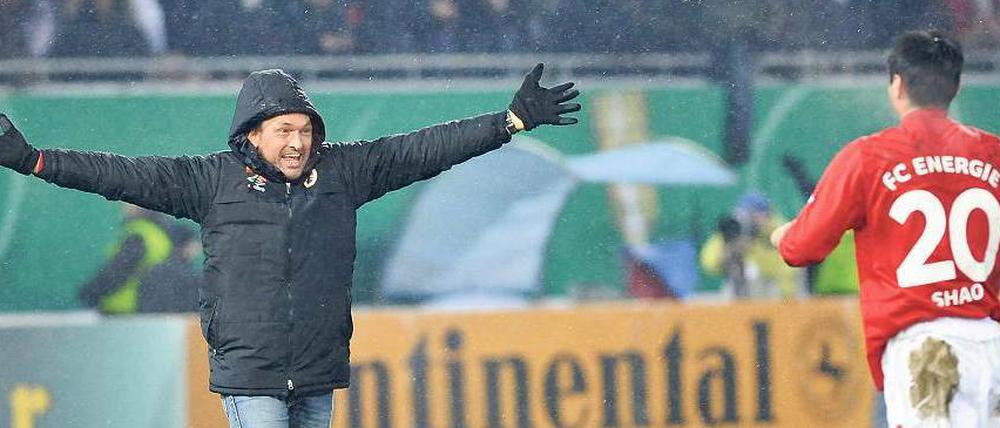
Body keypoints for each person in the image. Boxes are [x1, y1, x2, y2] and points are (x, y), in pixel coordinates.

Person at [0, 64, 580, 427]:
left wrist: (508, 122)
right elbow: (116, 174)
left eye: (305, 130)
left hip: (318, 369)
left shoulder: (344, 171)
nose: (298, 141)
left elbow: (425, 149)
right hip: (251, 373)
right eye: (284, 130)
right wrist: (34, 161)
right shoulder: (209, 180)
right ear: (250, 135)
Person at [771, 30, 1000, 426]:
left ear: (897, 85)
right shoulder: (993, 153)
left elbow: (800, 248)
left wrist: (779, 233)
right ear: (955, 86)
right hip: (992, 346)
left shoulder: (868, 157)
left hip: (927, 354)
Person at [78, 204, 182, 314]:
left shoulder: (138, 235)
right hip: (148, 310)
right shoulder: (159, 235)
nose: (124, 206)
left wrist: (91, 291)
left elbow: (118, 271)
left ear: (141, 207)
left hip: (124, 310)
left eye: (129, 202)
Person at [700, 192, 799, 299]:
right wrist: (729, 252)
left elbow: (784, 268)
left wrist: (754, 245)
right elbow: (709, 263)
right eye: (745, 213)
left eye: (754, 213)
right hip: (739, 286)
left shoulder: (777, 231)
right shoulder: (733, 230)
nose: (749, 219)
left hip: (775, 287)